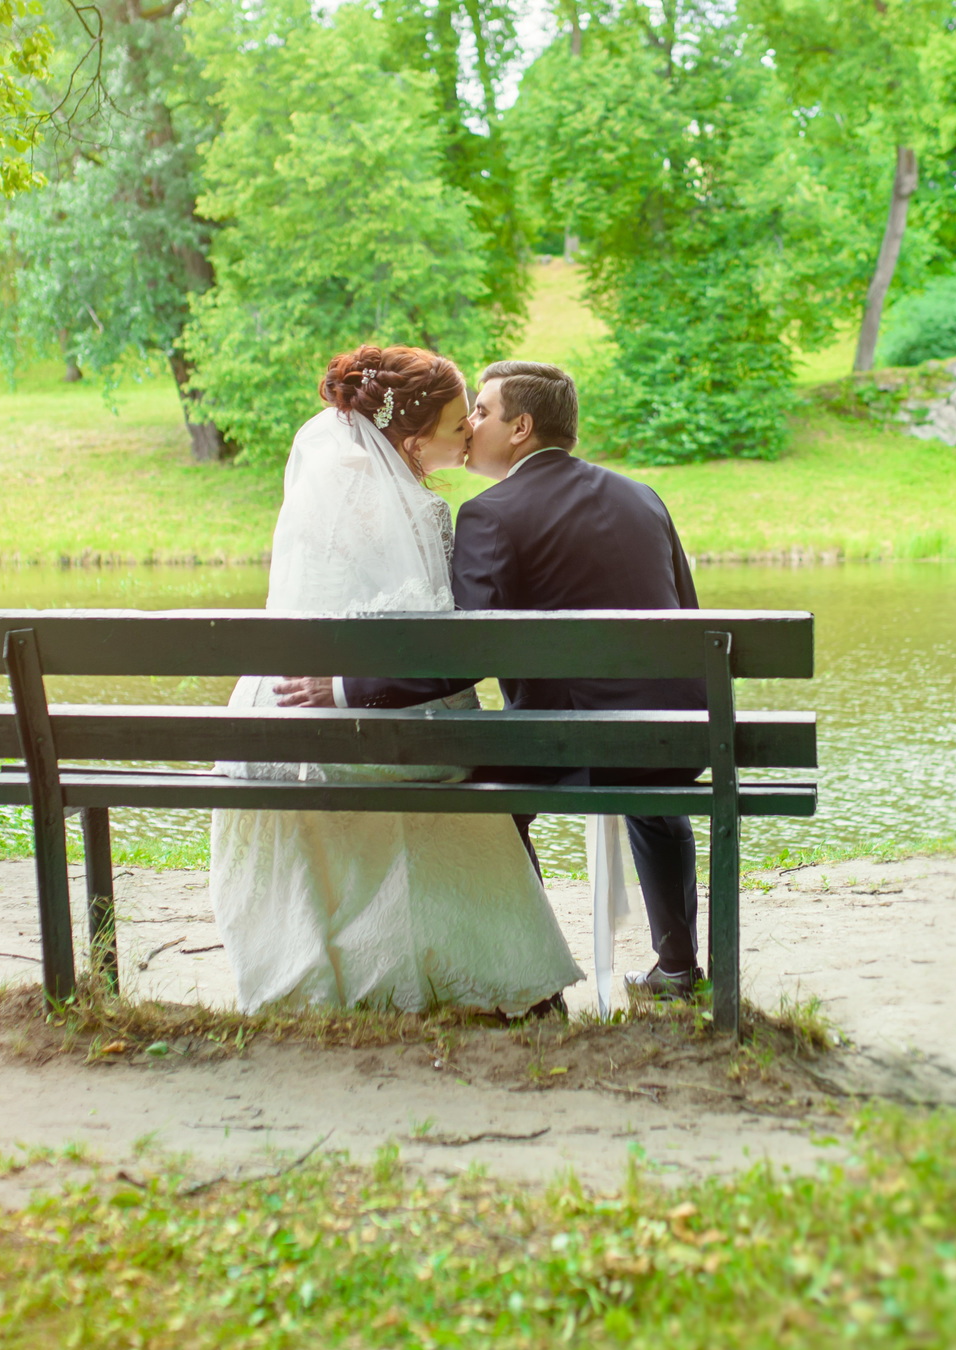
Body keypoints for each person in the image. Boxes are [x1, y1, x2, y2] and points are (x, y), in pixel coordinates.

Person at [277, 360, 710, 1001]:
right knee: (650, 787)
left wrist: (343, 686)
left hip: (564, 744)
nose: (470, 423)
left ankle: (529, 975)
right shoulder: (642, 496)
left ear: (521, 428)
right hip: (677, 740)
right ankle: (677, 968)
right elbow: (690, 620)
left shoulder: (491, 514)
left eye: (481, 411)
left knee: (490, 809)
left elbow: (456, 654)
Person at [210, 346, 582, 1016]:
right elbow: (442, 655)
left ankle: (332, 978)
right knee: (460, 768)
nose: (470, 428)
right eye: (456, 423)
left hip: (274, 731)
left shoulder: (321, 502)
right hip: (373, 742)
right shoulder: (425, 517)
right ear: (412, 442)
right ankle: (502, 979)